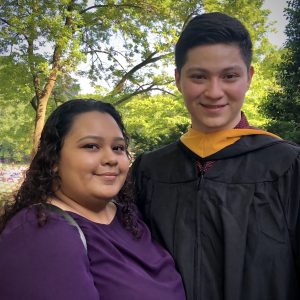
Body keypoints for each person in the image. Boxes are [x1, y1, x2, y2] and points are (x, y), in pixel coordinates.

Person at [131, 12, 300, 300]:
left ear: (249, 77)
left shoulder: (287, 166)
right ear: (177, 79)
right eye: (198, 76)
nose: (214, 92)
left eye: (229, 76)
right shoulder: (149, 171)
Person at [0, 99, 186, 300]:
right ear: (53, 159)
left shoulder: (129, 217)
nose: (111, 158)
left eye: (118, 148)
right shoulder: (42, 231)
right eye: (91, 146)